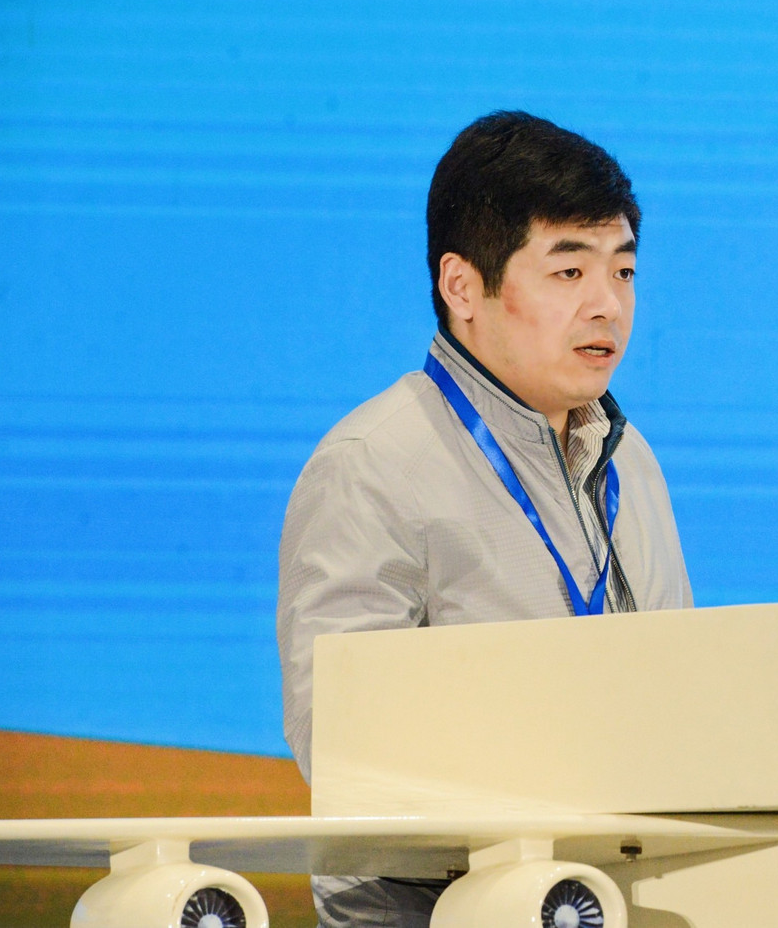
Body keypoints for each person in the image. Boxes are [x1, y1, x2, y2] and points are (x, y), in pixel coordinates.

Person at [277, 111, 692, 925]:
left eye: (624, 271)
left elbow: (681, 692)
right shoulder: (374, 464)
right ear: (462, 286)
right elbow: (342, 744)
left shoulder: (629, 460)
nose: (608, 306)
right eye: (569, 272)